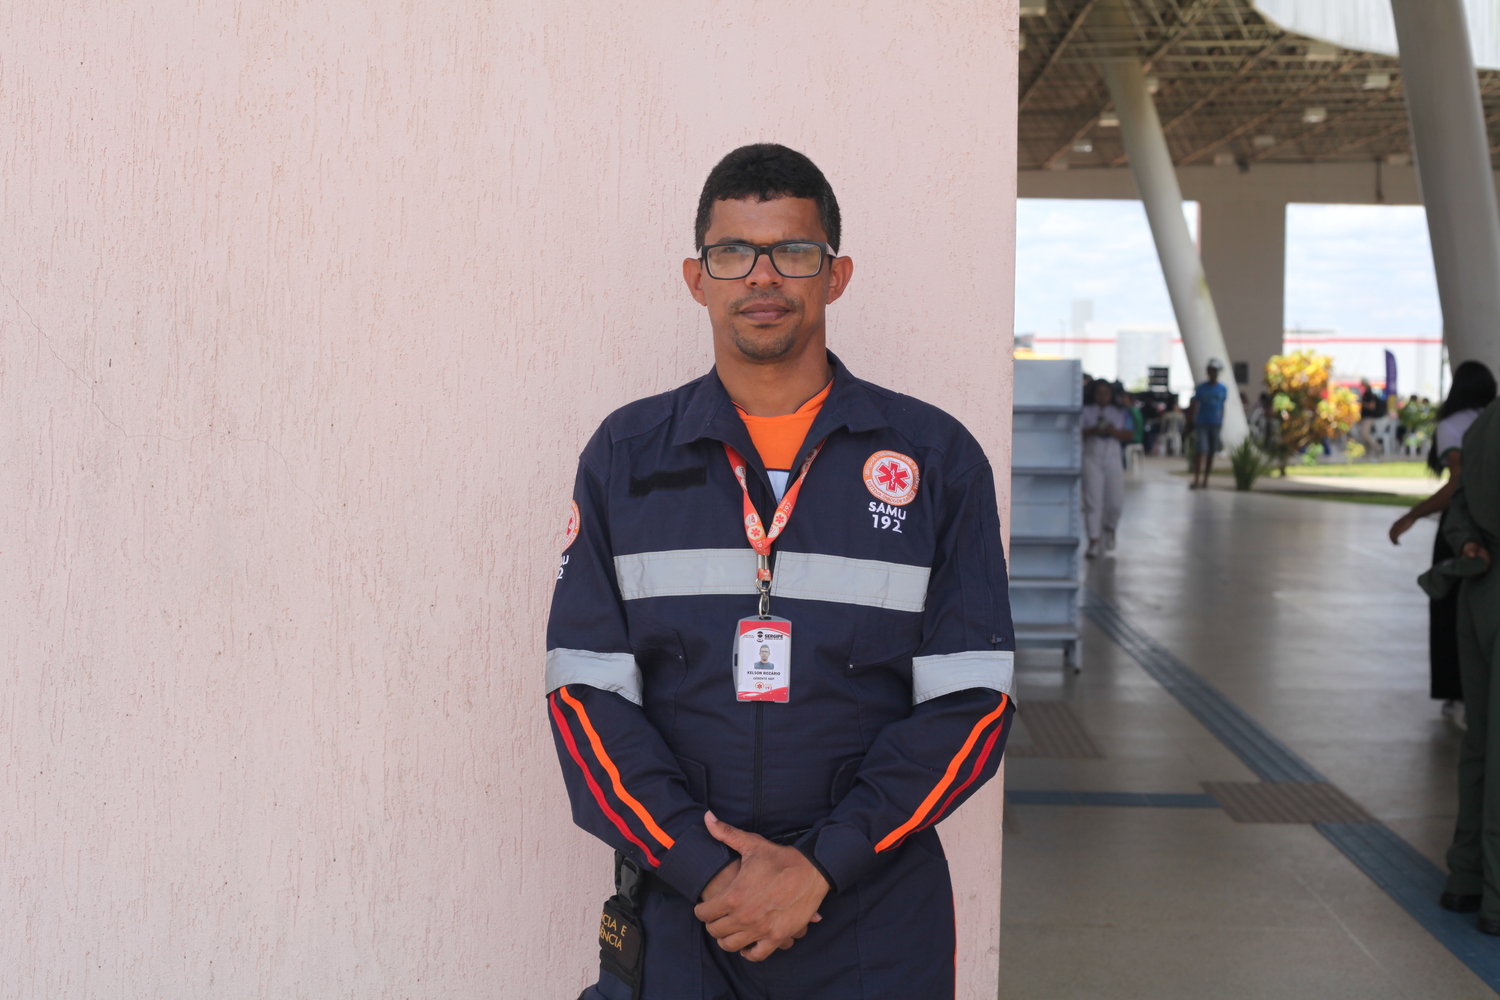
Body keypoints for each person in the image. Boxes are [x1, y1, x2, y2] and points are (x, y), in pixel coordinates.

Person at [547, 144, 1016, 1000]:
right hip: (686, 916)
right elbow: (585, 701)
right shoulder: (625, 457)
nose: (762, 277)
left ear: (834, 276)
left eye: (793, 252)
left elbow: (972, 706)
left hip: (872, 916)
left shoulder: (936, 460)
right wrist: (704, 868)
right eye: (733, 253)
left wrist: (821, 868)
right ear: (697, 277)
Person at [1391, 361, 1497, 728]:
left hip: (1462, 532)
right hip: (1492, 532)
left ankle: (1458, 696)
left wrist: (1413, 514)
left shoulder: (1454, 426)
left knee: (1452, 612)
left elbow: (1458, 486)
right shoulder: (1491, 420)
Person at [1434, 393, 1500, 933]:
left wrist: (1471, 541)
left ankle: (1466, 877)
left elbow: (1460, 506)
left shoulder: (1484, 427)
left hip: (1479, 591)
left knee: (1480, 743)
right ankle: (1496, 899)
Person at [1081, 379, 1133, 558]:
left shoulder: (1119, 412)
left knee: (1115, 502)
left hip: (1113, 459)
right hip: (1091, 458)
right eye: (1099, 393)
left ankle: (1110, 528)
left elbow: (1130, 434)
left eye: (1106, 393)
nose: (1102, 397)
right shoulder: (1085, 412)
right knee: (1093, 502)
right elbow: (1077, 433)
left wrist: (1113, 431)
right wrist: (1093, 430)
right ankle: (1093, 541)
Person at [1188, 360, 1228, 489]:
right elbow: (1194, 404)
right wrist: (1190, 421)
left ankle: (1205, 480)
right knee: (1200, 451)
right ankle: (1196, 479)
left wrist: (1221, 421)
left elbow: (1222, 407)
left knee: (1211, 452)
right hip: (1202, 423)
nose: (1212, 373)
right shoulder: (1201, 388)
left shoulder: (1222, 389)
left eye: (1214, 371)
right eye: (1211, 370)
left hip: (1215, 424)